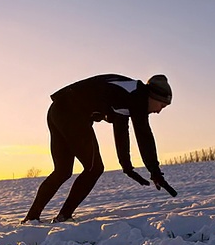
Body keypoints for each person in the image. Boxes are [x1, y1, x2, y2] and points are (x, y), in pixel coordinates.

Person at [21, 73, 177, 224]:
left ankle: (31, 218)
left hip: (58, 110)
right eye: (161, 105)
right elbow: (144, 135)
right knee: (94, 168)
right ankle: (63, 216)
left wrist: (127, 167)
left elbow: (121, 132)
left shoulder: (129, 94)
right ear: (153, 96)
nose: (159, 111)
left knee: (62, 171)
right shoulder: (138, 96)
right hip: (71, 113)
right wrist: (155, 171)